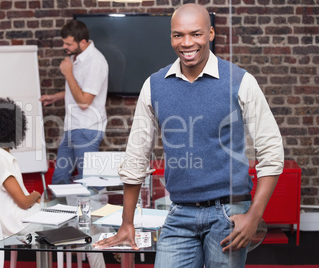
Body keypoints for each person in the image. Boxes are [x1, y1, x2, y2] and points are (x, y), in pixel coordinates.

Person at [94, 4, 284, 268]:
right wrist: (127, 223)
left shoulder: (241, 81)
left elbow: (271, 151)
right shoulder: (154, 85)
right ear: (171, 36)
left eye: (196, 34)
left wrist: (254, 215)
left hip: (229, 212)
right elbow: (136, 157)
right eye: (178, 35)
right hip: (179, 212)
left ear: (211, 34)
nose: (186, 43)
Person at [40, 20, 109, 184]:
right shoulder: (76, 58)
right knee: (59, 179)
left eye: (68, 44)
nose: (65, 47)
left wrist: (68, 73)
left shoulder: (95, 62)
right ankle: (58, 210)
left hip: (87, 129)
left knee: (89, 183)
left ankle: (96, 210)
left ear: (83, 42)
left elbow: (84, 102)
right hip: (73, 127)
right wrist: (55, 97)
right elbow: (79, 89)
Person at [0, 97, 41, 237]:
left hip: (13, 222)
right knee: (74, 217)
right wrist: (36, 195)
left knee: (66, 215)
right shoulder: (0, 159)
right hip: (18, 223)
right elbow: (23, 203)